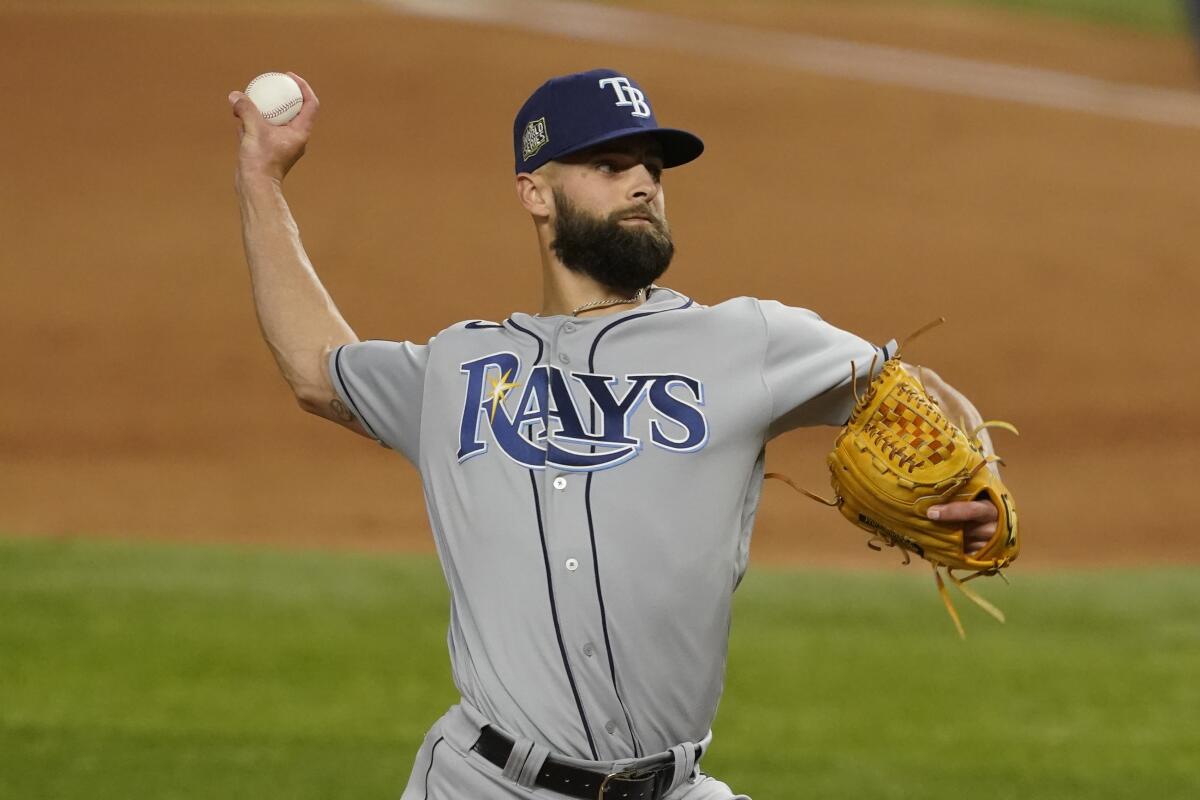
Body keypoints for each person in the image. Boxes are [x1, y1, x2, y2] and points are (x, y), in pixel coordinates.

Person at [228, 68, 1002, 800]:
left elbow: (910, 391)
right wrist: (261, 178)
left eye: (653, 170)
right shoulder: (460, 368)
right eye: (609, 163)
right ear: (535, 192)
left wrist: (979, 482)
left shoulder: (748, 339)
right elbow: (315, 369)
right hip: (481, 783)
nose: (642, 184)